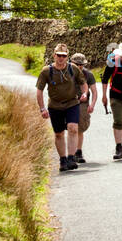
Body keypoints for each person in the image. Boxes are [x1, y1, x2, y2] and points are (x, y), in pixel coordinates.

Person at [36, 43, 89, 172]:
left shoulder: (73, 69)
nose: (61, 58)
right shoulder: (46, 71)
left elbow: (83, 84)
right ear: (54, 55)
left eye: (63, 56)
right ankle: (63, 160)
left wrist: (84, 93)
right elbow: (39, 91)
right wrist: (42, 108)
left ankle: (71, 157)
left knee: (73, 128)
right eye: (58, 55)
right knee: (59, 134)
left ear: (67, 57)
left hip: (72, 103)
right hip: (55, 105)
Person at [70, 53, 98, 165]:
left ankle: (78, 151)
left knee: (80, 127)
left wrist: (92, 104)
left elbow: (94, 91)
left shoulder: (88, 75)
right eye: (76, 64)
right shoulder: (66, 73)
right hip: (69, 102)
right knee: (71, 127)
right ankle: (71, 154)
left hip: (82, 103)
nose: (79, 67)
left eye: (81, 65)